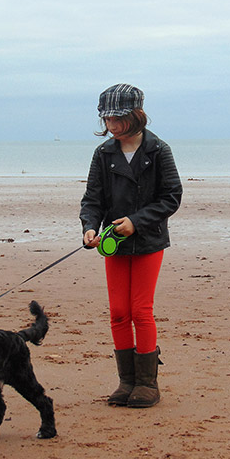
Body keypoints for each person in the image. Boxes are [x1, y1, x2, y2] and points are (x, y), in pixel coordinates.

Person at [80, 83, 182, 408]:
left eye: (116, 118)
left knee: (140, 310)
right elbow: (92, 199)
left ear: (135, 116)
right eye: (106, 119)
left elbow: (172, 197)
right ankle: (126, 382)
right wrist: (89, 228)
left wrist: (136, 222)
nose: (110, 125)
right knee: (119, 313)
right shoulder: (103, 153)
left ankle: (147, 384)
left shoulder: (158, 150)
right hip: (113, 243)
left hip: (149, 241)